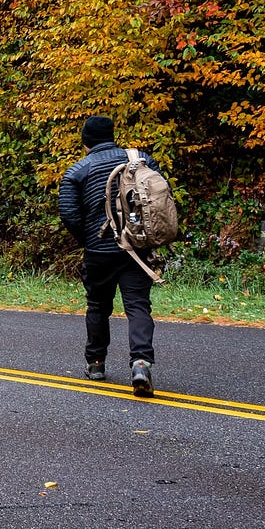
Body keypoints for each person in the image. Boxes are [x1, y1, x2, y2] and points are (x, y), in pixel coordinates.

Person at [58, 115, 160, 397]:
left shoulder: (77, 170)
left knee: (98, 306)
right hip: (136, 249)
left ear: (85, 141)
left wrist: (89, 240)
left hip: (99, 251)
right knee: (138, 305)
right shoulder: (141, 160)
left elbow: (68, 213)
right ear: (112, 135)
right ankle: (141, 363)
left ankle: (96, 363)